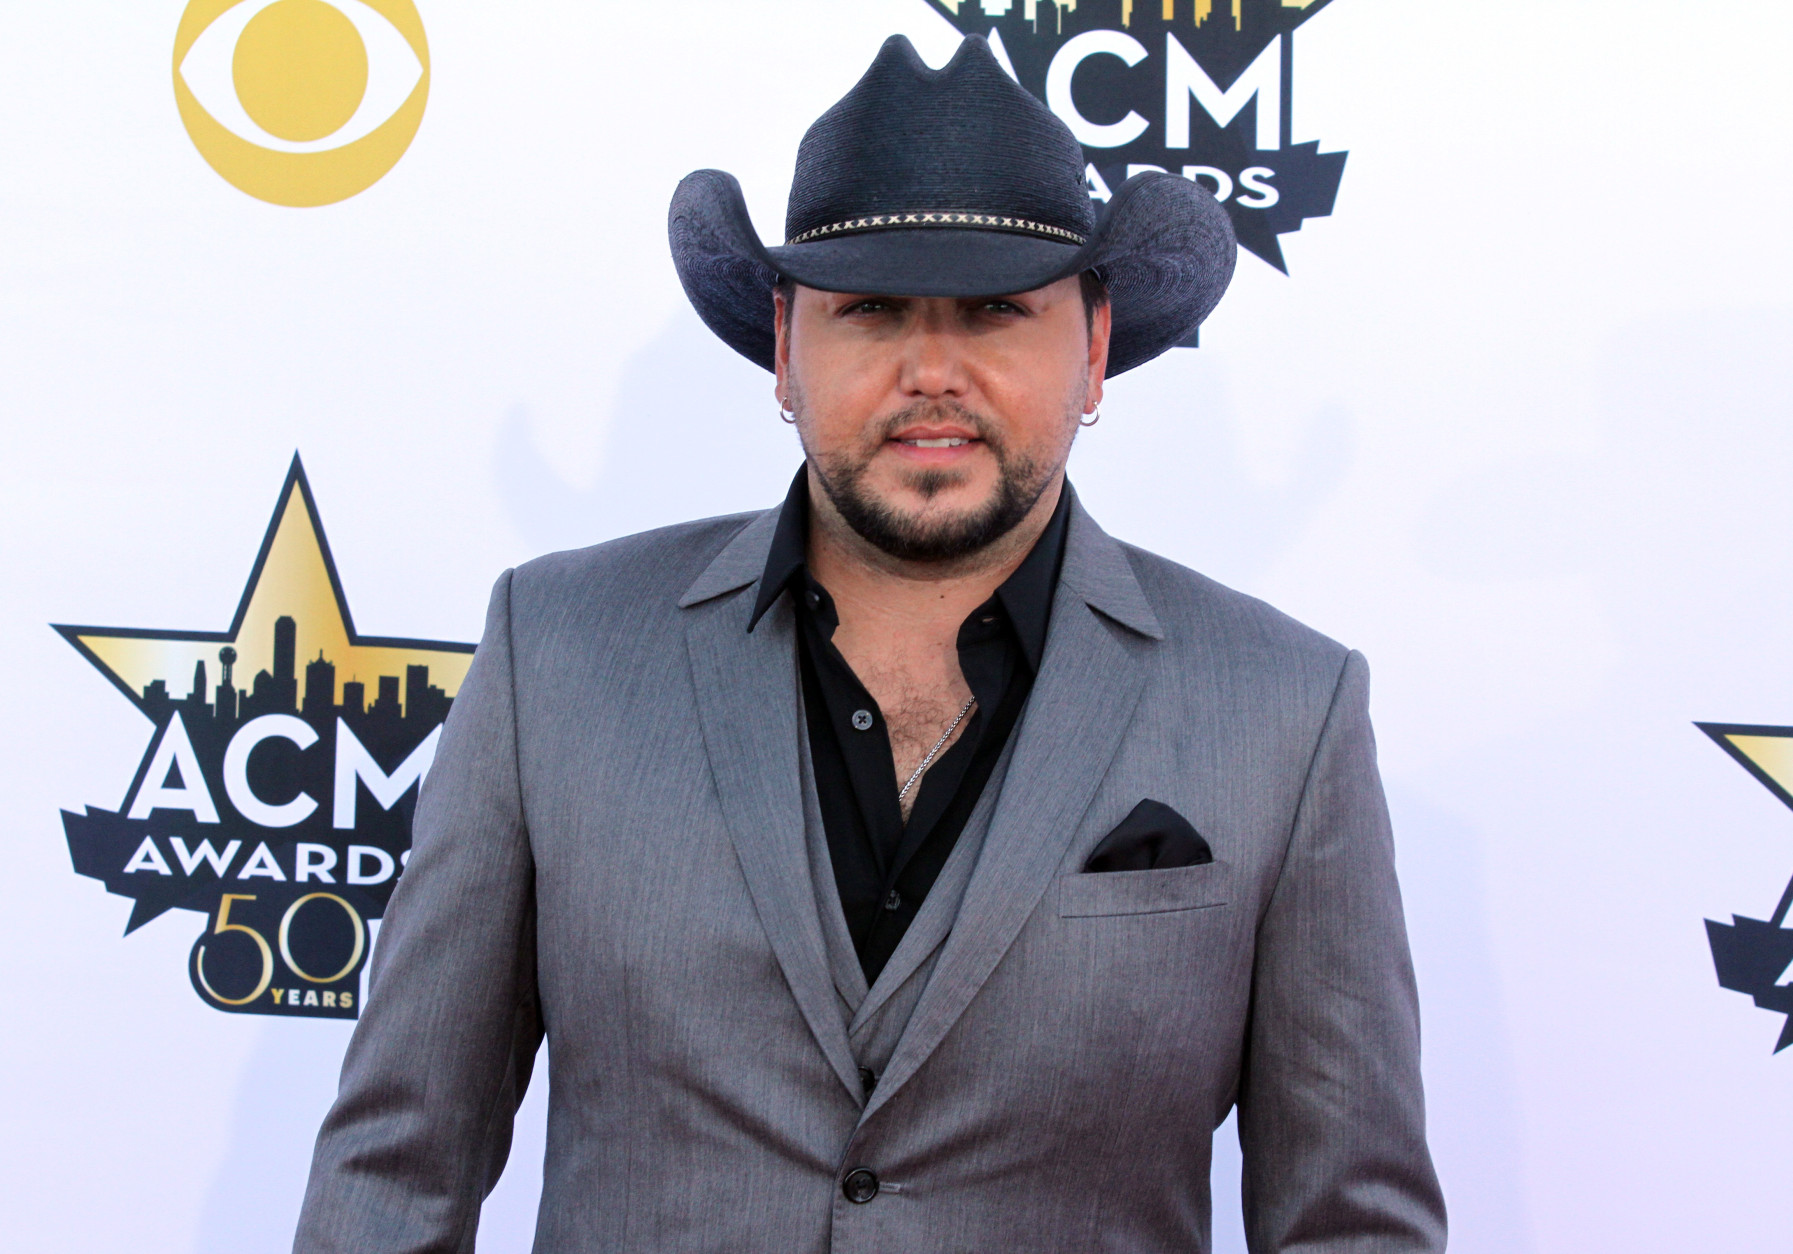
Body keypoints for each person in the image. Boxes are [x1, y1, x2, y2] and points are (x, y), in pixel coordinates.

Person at [294, 33, 1446, 1254]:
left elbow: (1346, 1224)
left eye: (998, 310)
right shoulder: (555, 654)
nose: (931, 370)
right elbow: (396, 1172)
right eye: (872, 309)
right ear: (785, 346)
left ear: (1094, 349)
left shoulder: (1285, 709)